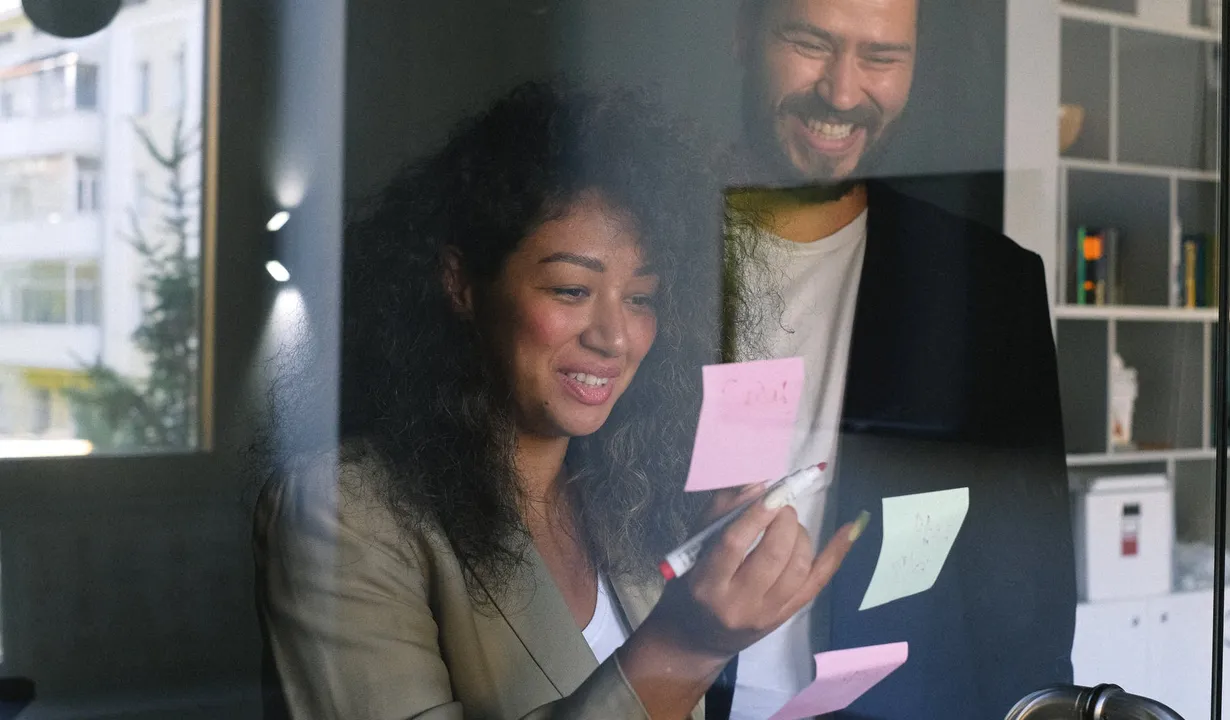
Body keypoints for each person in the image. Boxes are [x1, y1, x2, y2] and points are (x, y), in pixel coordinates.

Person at [253, 81, 861, 720]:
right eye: (571, 290)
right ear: (460, 284)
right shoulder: (341, 512)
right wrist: (685, 647)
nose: (615, 337)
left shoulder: (626, 500)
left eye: (641, 298)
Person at [714, 1, 1077, 718]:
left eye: (880, 57)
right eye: (810, 43)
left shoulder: (989, 287)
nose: (842, 92)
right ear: (744, 37)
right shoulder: (636, 256)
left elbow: (1024, 597)